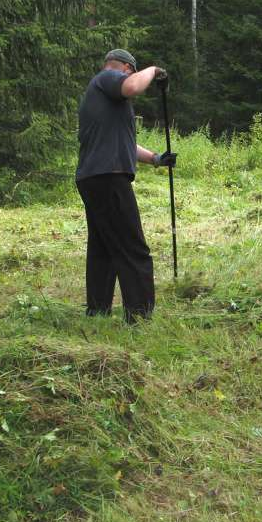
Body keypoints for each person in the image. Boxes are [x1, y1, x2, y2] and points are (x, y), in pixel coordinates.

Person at [75, 48, 176, 321]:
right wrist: (154, 70)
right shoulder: (108, 78)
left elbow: (126, 145)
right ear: (125, 68)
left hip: (92, 177)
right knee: (134, 248)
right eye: (132, 71)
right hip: (109, 177)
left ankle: (98, 310)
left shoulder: (102, 98)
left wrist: (156, 159)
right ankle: (140, 316)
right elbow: (132, 86)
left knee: (104, 248)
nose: (132, 77)